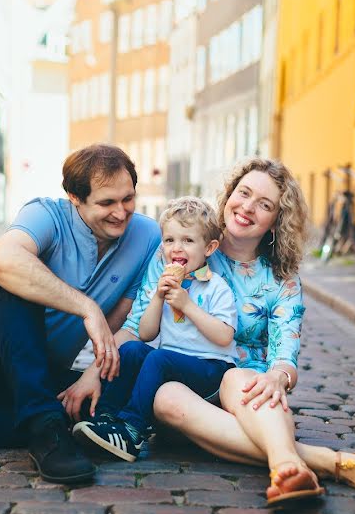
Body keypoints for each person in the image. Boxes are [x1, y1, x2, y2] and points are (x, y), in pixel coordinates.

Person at [121, 157, 355, 505]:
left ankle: (285, 469)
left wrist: (278, 377)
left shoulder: (282, 280)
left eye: (264, 205)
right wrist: (92, 374)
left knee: (240, 377)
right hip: (185, 390)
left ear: (276, 221)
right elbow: (135, 327)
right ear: (229, 194)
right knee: (164, 395)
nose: (247, 207)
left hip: (249, 396)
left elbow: (285, 352)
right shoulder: (184, 244)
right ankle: (325, 461)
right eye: (244, 193)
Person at [0, 144, 161, 484]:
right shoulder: (45, 214)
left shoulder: (146, 235)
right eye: (106, 203)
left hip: (30, 376)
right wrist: (87, 308)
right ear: (75, 198)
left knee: (110, 402)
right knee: (15, 280)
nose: (121, 212)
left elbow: (124, 320)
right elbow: (2, 260)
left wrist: (93, 374)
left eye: (128, 199)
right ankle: (46, 429)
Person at [73, 197, 238, 462]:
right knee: (133, 349)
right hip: (173, 364)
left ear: (209, 247)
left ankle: (131, 430)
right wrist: (158, 298)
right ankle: (106, 417)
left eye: (188, 240)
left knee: (157, 358)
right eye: (170, 240)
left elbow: (224, 336)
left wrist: (188, 306)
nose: (177, 248)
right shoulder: (164, 284)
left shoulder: (216, 287)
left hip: (212, 370)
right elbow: (147, 333)